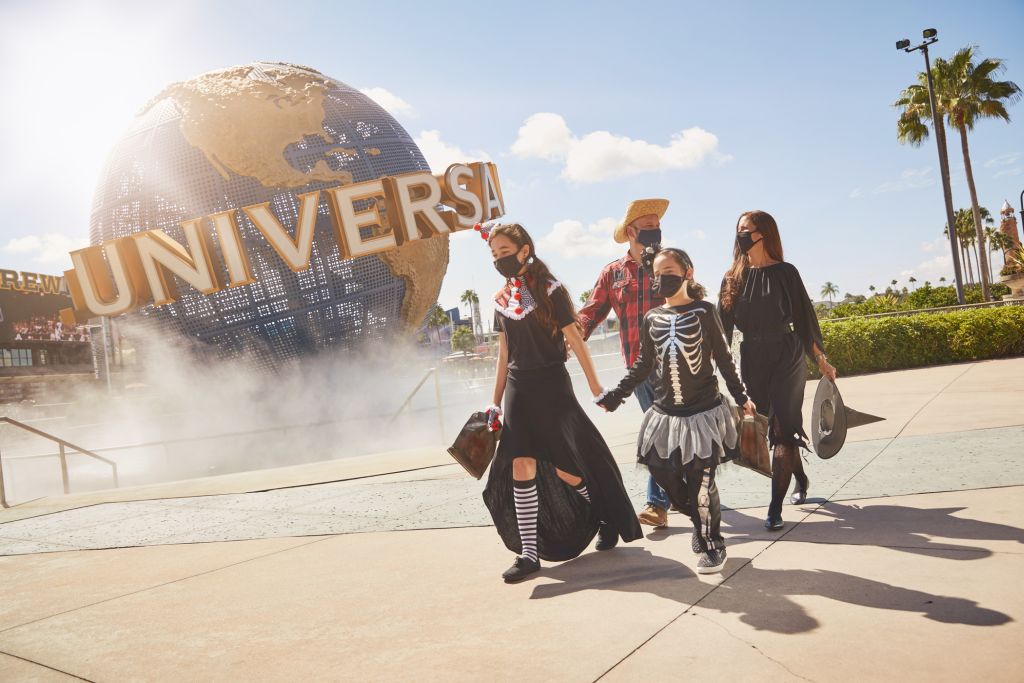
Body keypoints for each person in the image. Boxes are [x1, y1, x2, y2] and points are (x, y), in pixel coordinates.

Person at [481, 223, 643, 583]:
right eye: (494, 254)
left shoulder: (552, 290)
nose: (498, 260)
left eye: (504, 252)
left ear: (524, 250)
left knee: (565, 468)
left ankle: (601, 513)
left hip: (553, 386)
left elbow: (576, 338)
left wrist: (597, 388)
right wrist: (494, 403)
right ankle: (528, 553)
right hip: (519, 389)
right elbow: (504, 352)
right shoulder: (501, 300)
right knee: (520, 463)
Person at [597, 248, 755, 574]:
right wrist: (617, 394)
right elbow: (643, 364)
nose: (662, 278)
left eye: (669, 270)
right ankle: (700, 522)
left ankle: (712, 545)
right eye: (657, 274)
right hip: (665, 413)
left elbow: (724, 360)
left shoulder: (704, 312)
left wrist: (741, 397)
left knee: (701, 483)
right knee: (663, 472)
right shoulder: (652, 318)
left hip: (705, 412)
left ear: (687, 272)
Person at [717, 210, 837, 531]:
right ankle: (799, 476)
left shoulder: (786, 272)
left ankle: (774, 508)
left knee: (784, 429)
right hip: (753, 358)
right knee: (768, 428)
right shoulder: (732, 278)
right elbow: (721, 332)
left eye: (747, 230)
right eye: (738, 230)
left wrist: (821, 360)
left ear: (764, 234)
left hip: (788, 355)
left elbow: (804, 319)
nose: (741, 236)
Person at [578, 198, 673, 529]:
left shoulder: (671, 264)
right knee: (662, 428)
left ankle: (657, 502)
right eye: (647, 226)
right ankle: (671, 489)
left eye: (657, 225)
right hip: (638, 367)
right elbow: (592, 312)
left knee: (660, 427)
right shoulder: (613, 273)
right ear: (631, 231)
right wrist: (566, 337)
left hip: (675, 362)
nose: (655, 231)